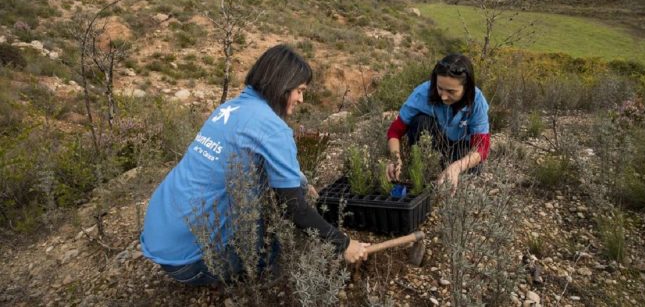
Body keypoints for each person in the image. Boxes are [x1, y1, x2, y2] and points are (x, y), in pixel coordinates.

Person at [141, 44, 369, 286]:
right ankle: (262, 280)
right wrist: (344, 244)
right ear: (283, 85)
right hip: (191, 263)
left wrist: (300, 182)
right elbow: (295, 208)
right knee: (275, 241)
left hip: (159, 237)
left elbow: (257, 155)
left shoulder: (229, 109)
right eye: (299, 91)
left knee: (259, 185)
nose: (301, 99)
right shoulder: (273, 127)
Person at [385, 53, 490, 190]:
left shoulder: (477, 101)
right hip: (432, 145)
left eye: (451, 91)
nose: (444, 97)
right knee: (421, 121)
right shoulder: (422, 93)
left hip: (460, 148)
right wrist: (396, 159)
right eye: (440, 88)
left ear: (466, 88)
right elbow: (395, 131)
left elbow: (482, 147)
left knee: (471, 170)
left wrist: (457, 167)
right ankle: (422, 168)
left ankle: (448, 172)